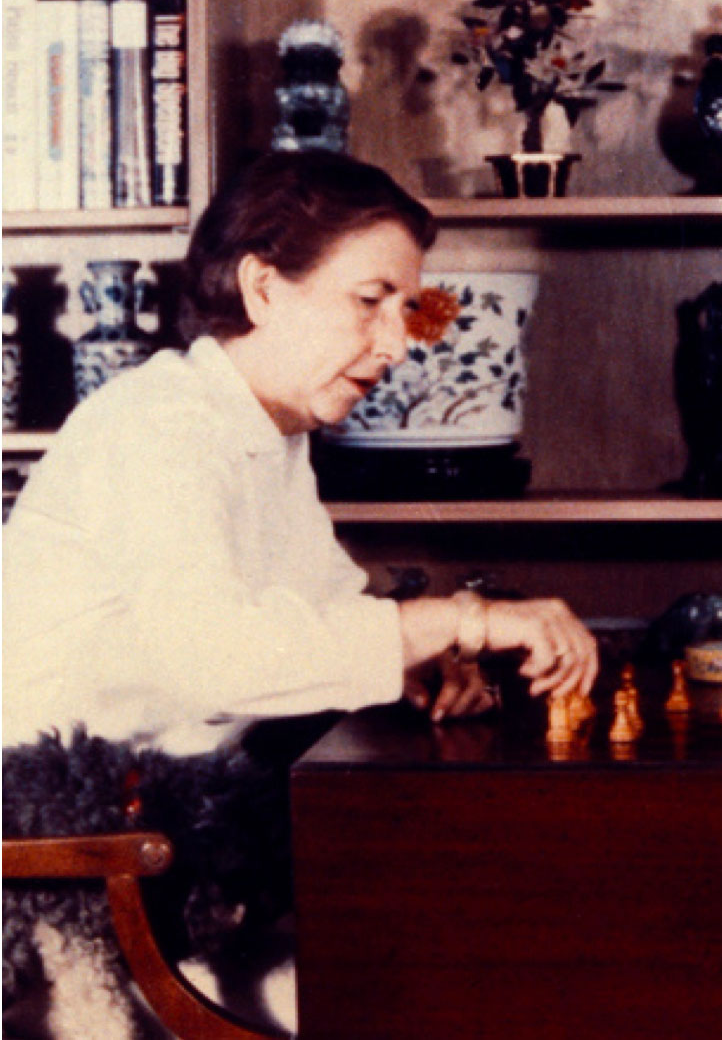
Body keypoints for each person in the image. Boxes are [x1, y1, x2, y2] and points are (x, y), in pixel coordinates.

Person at [2, 150, 599, 1037]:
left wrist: (420, 664)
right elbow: (220, 659)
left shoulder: (260, 433)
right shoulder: (159, 428)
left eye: (408, 310)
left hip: (154, 850)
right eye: (371, 301)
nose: (400, 344)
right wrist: (463, 618)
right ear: (263, 286)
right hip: (66, 878)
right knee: (422, 986)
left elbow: (331, 614)